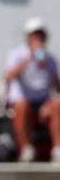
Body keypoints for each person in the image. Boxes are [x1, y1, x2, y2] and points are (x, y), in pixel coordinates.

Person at [5, 17, 60, 163]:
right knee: (22, 106)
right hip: (23, 101)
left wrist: (52, 71)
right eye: (35, 35)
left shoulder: (50, 59)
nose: (39, 38)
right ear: (28, 37)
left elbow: (57, 88)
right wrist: (28, 59)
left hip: (43, 101)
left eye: (41, 35)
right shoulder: (17, 54)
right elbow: (8, 77)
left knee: (56, 105)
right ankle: (26, 149)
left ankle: (57, 151)